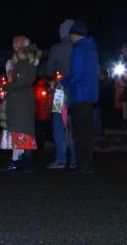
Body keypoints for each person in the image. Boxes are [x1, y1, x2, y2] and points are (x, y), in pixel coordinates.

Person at [65, 21, 99, 174]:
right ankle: (87, 163)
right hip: (90, 94)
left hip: (79, 95)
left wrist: (64, 81)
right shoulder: (92, 49)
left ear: (75, 34)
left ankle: (82, 165)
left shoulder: (78, 49)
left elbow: (76, 74)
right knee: (87, 131)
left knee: (79, 132)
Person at [2, 43, 39, 172]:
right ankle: (21, 161)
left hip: (20, 103)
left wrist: (6, 86)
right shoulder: (29, 63)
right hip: (22, 102)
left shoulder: (23, 64)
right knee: (23, 132)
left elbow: (20, 81)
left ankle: (23, 162)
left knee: (22, 132)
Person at [44, 19, 76, 169]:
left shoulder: (56, 48)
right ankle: (75, 159)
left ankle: (61, 159)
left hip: (60, 90)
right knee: (74, 124)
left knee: (58, 124)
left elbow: (49, 70)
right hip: (76, 89)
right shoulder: (79, 47)